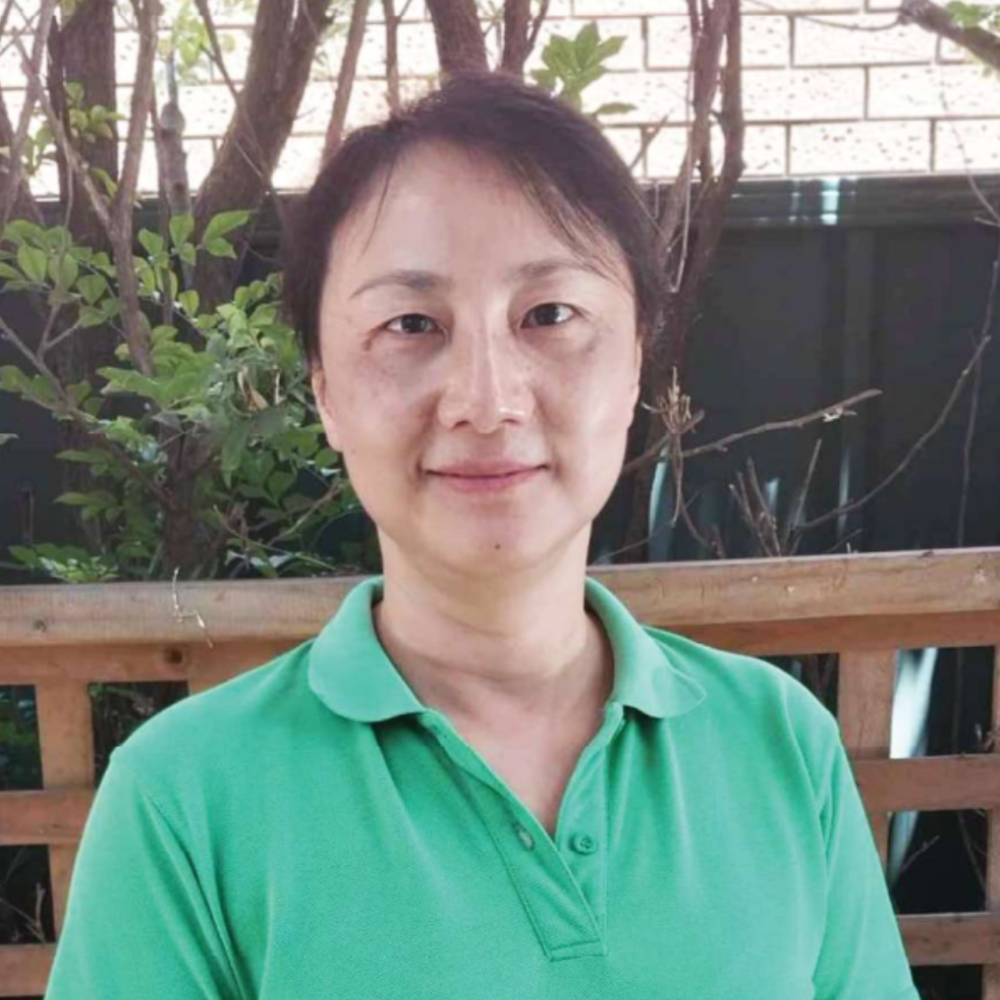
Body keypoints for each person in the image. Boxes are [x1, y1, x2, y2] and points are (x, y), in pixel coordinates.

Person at [44, 70, 920, 1000]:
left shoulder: (779, 743)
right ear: (325, 391)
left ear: (635, 364)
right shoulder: (184, 798)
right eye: (410, 324)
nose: (487, 401)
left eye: (550, 315)